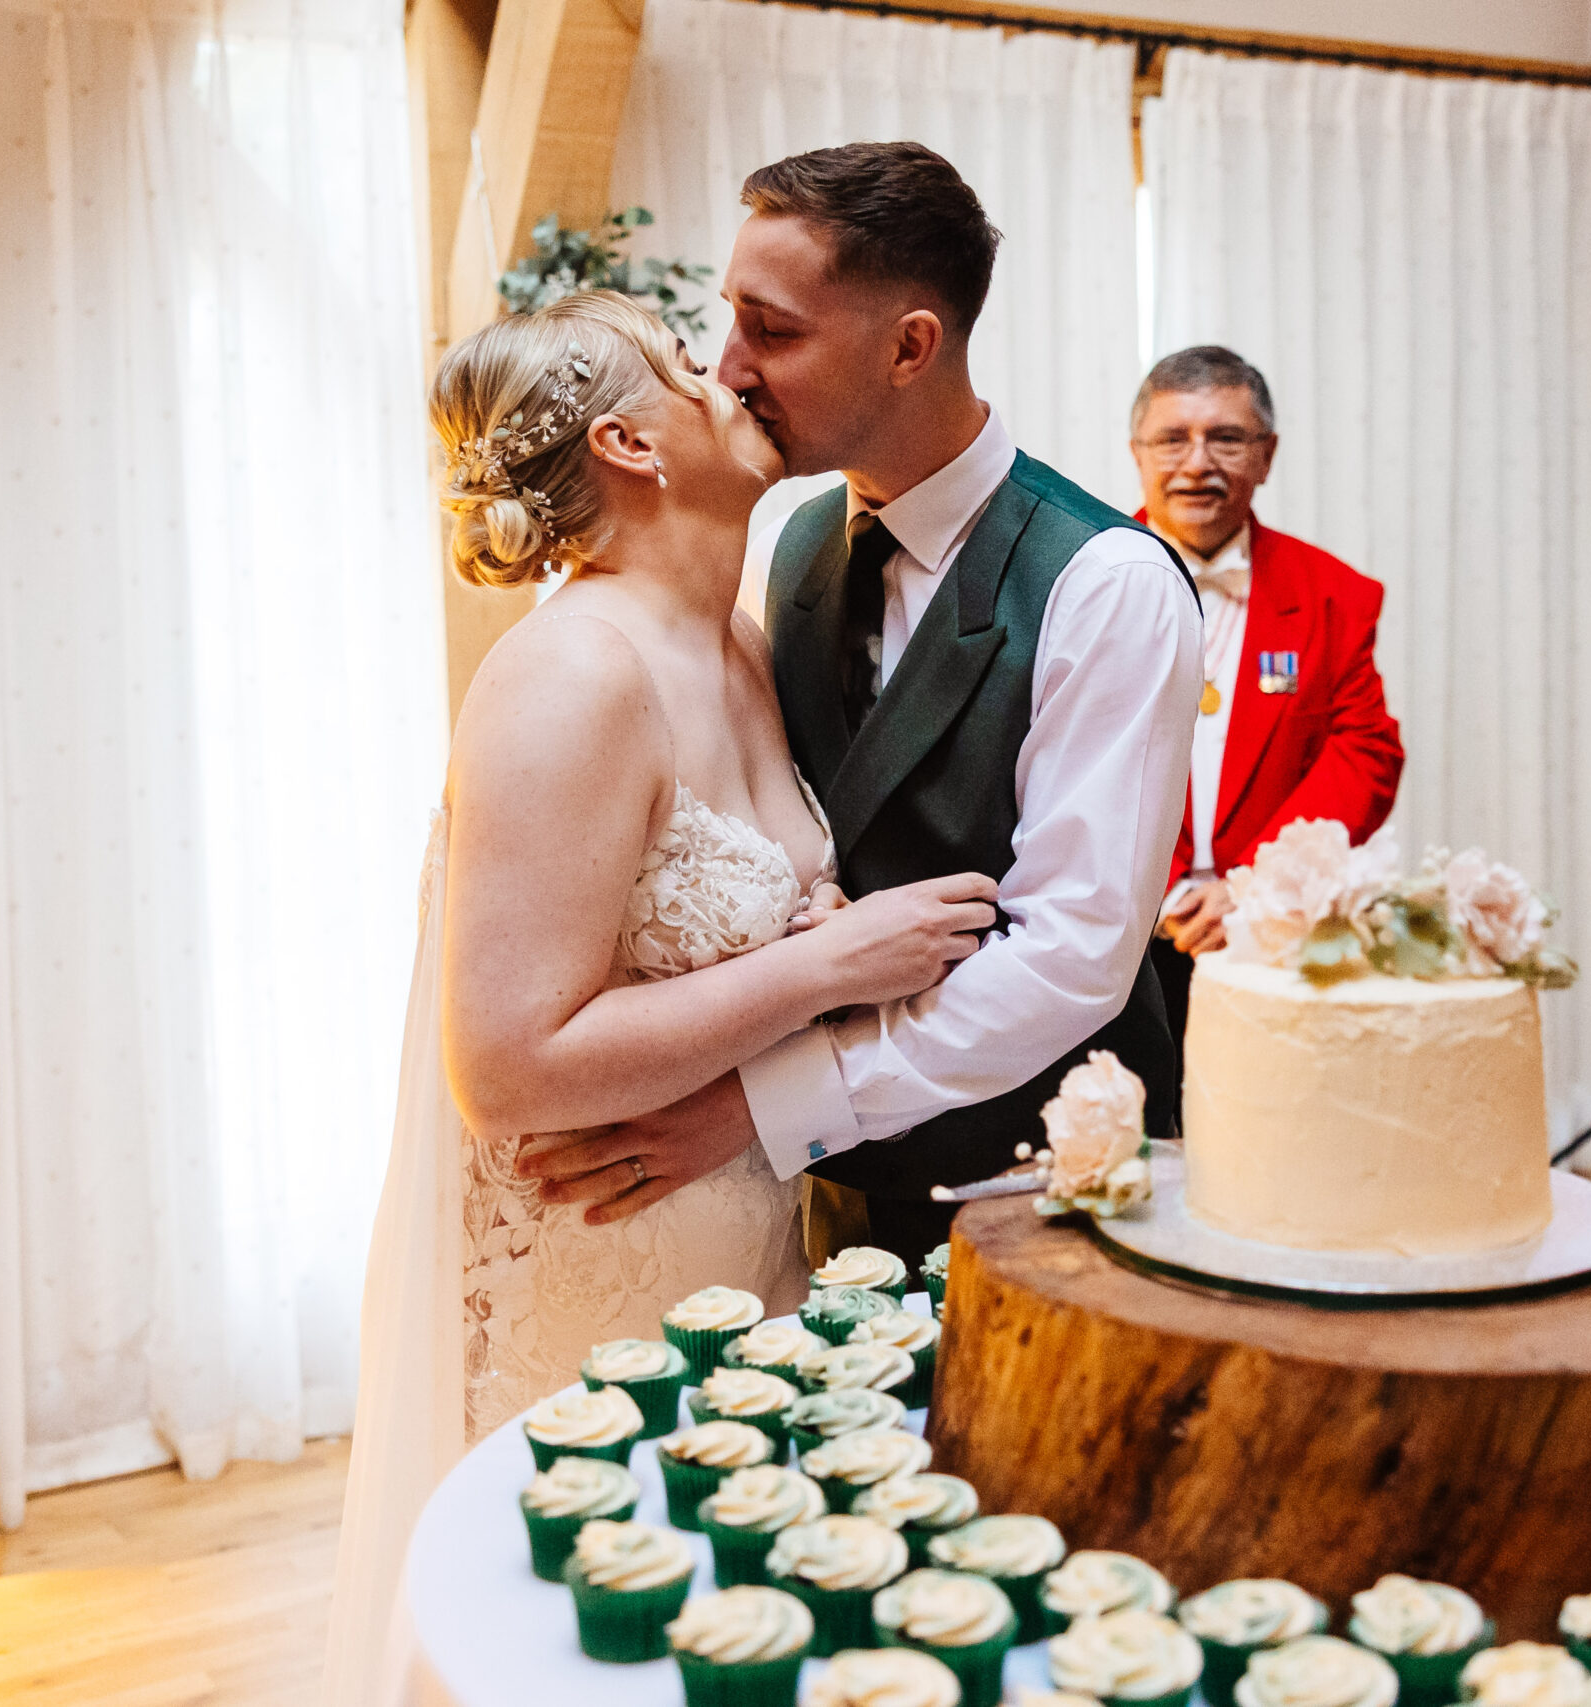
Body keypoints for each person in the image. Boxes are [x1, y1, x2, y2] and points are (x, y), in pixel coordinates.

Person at [321, 291, 1000, 1701]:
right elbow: (507, 1063)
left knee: (727, 1625)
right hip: (597, 1274)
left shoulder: (739, 643)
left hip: (738, 1241)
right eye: (693, 361)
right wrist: (830, 959)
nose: (731, 371)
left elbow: (711, 931)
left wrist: (813, 935)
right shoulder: (571, 675)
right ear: (630, 439)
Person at [518, 142, 1202, 1264]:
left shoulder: (1106, 586)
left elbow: (1073, 953)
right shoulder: (794, 547)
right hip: (807, 1195)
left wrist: (766, 1107)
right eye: (730, 322)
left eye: (772, 331)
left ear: (909, 346)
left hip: (1039, 1185)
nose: (729, 369)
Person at [1128, 345, 1404, 1075]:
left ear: (1267, 455)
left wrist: (1253, 885)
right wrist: (1157, 886)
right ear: (1138, 453)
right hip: (1117, 939)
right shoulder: (1076, 577)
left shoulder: (1335, 595)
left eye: (1226, 437)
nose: (1197, 462)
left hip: (1274, 937)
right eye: (1172, 438)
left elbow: (1365, 752)